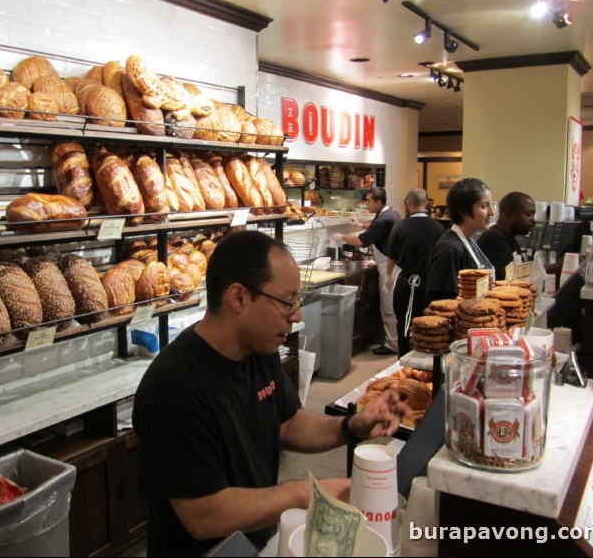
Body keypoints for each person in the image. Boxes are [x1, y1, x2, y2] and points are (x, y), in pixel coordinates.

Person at [133, 231, 410, 557]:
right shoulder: (173, 388)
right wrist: (305, 494)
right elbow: (204, 514)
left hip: (260, 542)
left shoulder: (257, 348)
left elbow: (287, 424)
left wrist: (351, 426)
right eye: (287, 301)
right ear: (238, 298)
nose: (297, 315)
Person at [334, 187, 401, 355]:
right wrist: (359, 224)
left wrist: (340, 237)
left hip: (388, 266)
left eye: (369, 201)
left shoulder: (382, 219)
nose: (366, 204)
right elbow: (375, 227)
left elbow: (360, 241)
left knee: (388, 306)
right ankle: (396, 340)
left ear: (379, 202)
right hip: (393, 264)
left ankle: (393, 344)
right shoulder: (391, 213)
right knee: (393, 305)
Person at [385, 188, 446, 356]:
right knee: (427, 324)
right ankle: (425, 357)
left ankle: (403, 356)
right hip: (429, 284)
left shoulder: (400, 226)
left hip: (405, 282)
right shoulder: (438, 228)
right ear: (427, 203)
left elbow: (392, 258)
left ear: (408, 203)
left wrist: (388, 278)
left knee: (403, 321)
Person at [425, 178, 496, 305]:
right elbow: (440, 305)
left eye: (491, 205)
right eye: (484, 206)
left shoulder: (469, 241)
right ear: (462, 210)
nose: (492, 212)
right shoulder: (449, 250)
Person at [477, 191, 536, 280]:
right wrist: (555, 267)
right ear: (510, 214)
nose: (533, 220)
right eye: (528, 214)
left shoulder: (508, 238)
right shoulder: (494, 239)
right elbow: (514, 276)